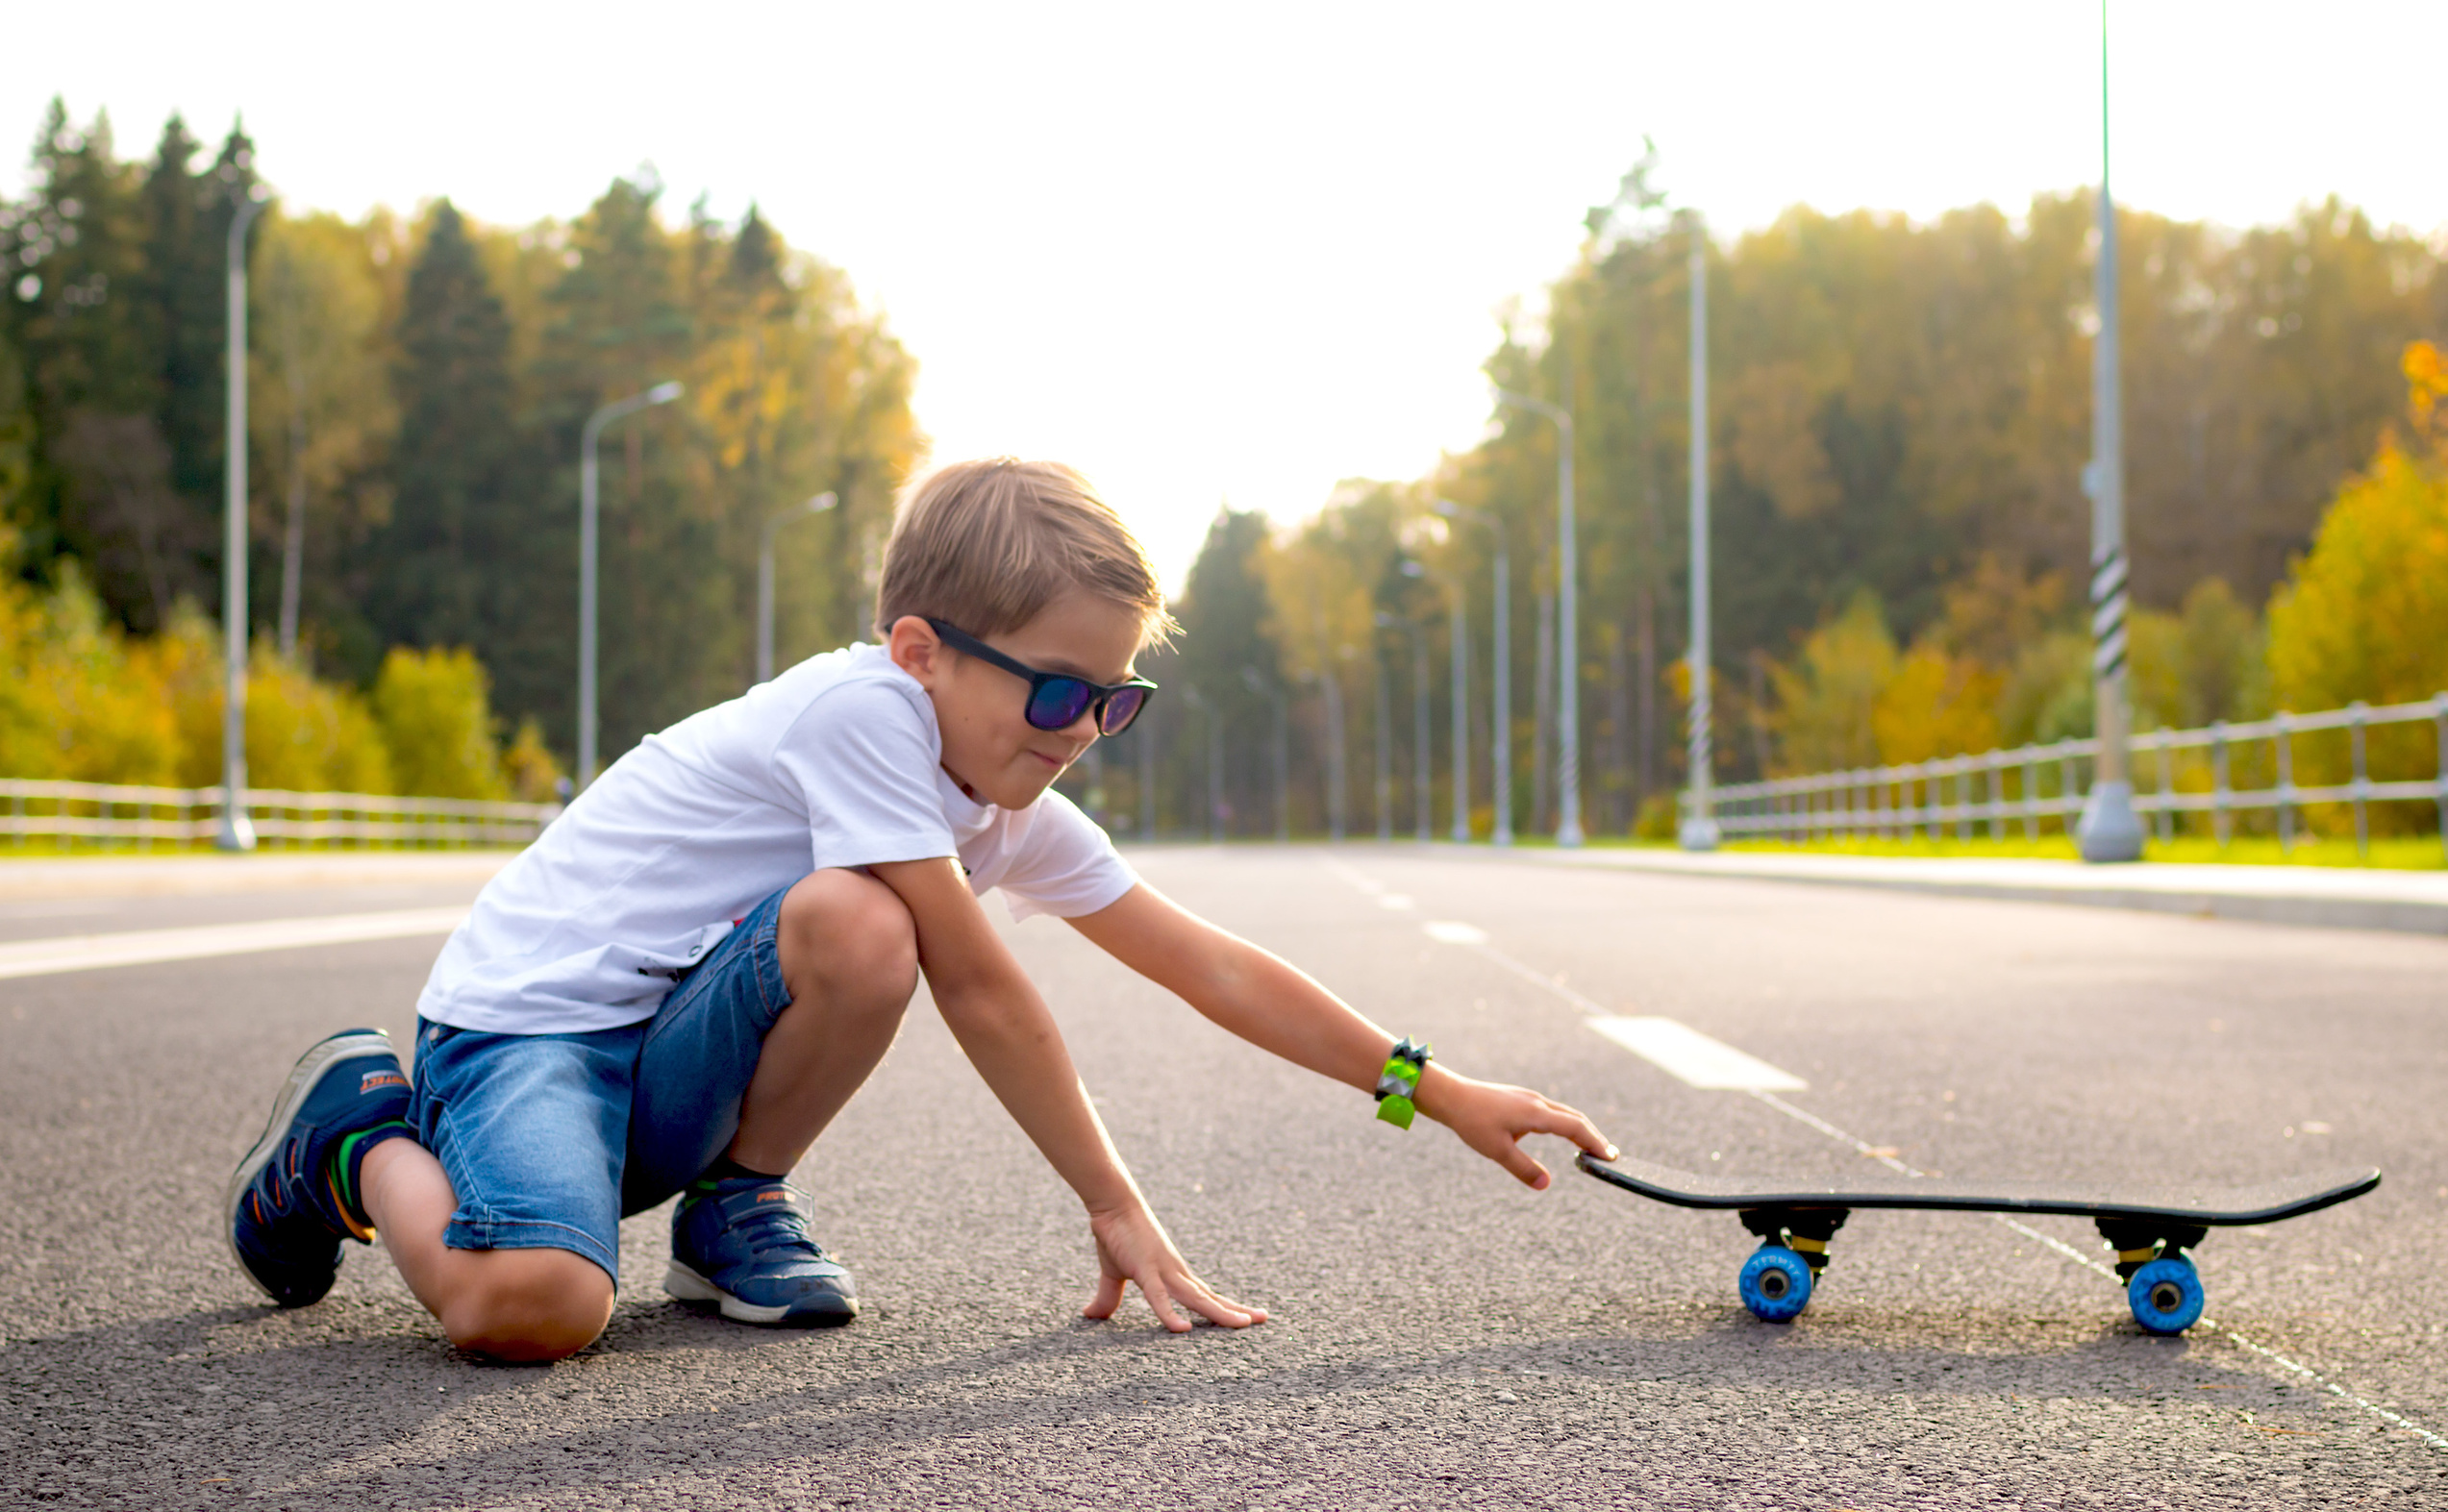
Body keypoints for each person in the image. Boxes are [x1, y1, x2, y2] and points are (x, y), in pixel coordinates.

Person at [225, 458, 1617, 1362]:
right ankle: (356, 1136)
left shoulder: (1000, 794)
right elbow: (983, 987)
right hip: (525, 1034)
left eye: (1117, 700)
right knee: (536, 1308)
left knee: (853, 920)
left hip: (662, 1064)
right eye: (1059, 691)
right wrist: (1117, 1205)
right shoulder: (860, 717)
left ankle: (731, 1204)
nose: (1083, 730)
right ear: (919, 653)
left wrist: (1436, 1089)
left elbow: (1205, 964)